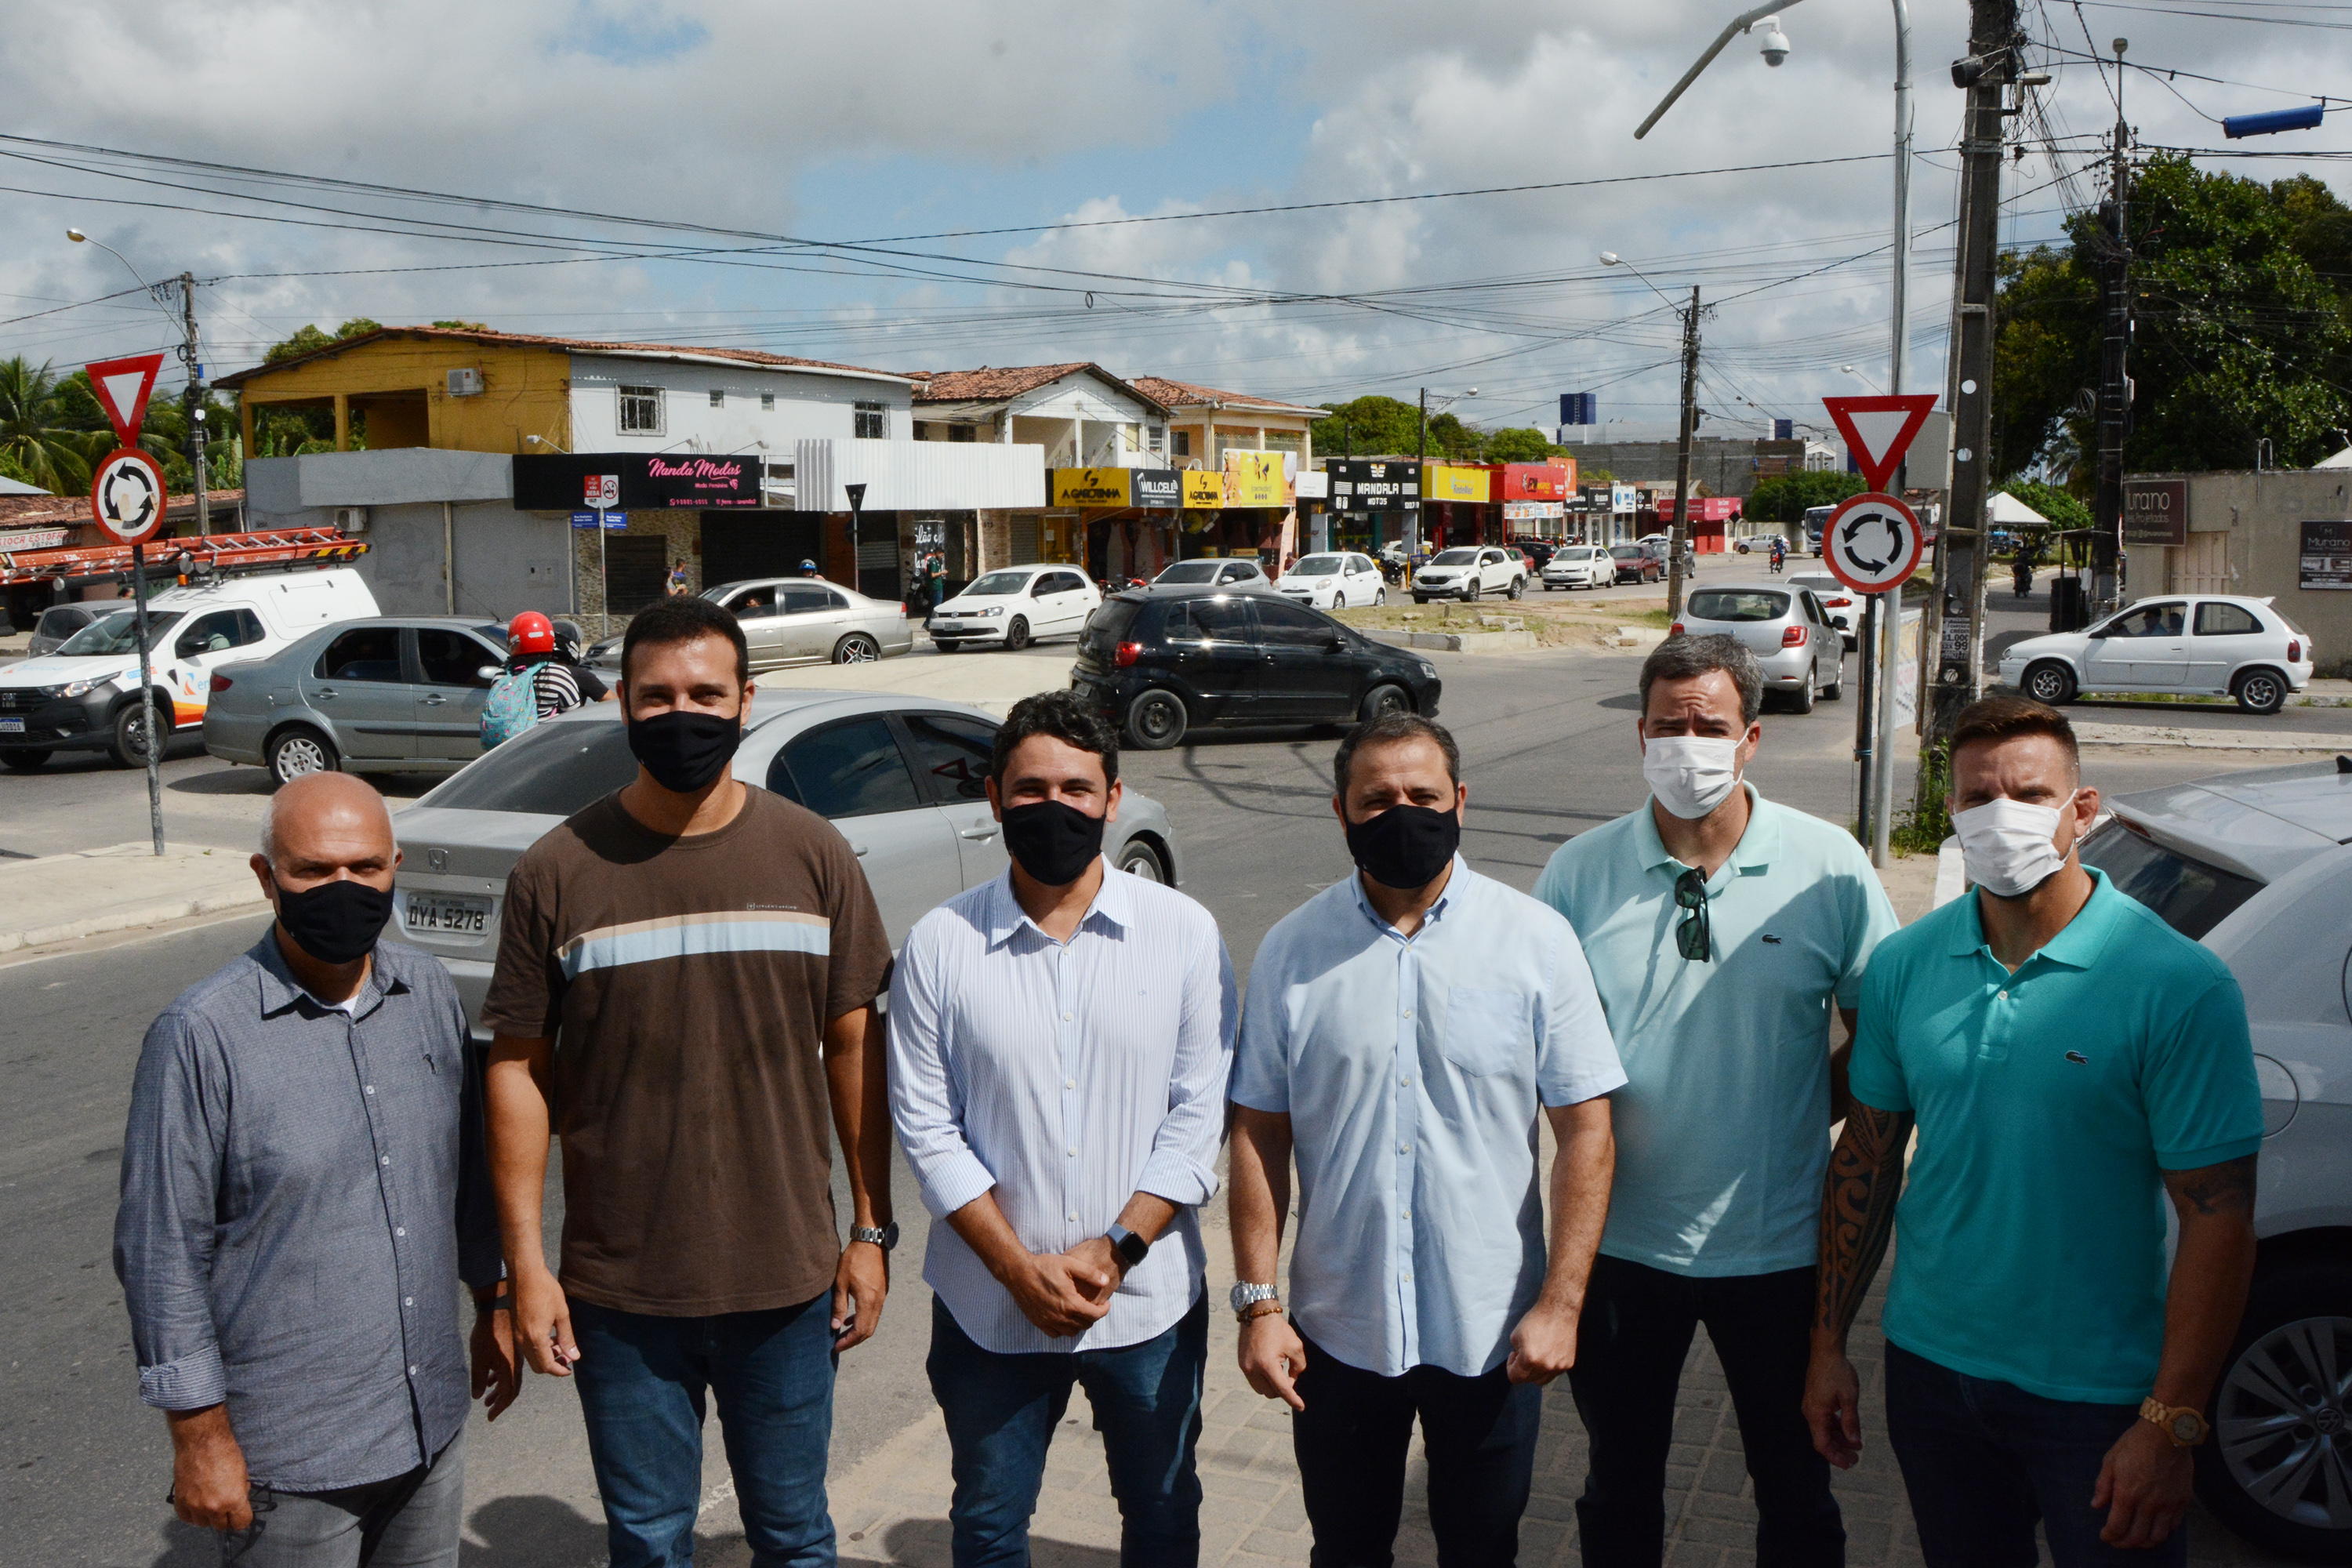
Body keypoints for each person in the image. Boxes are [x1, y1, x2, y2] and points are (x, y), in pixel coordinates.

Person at [481, 594, 897, 1568]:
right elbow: (518, 1068)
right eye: (657, 695)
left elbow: (856, 1051)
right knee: (650, 1540)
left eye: (706, 693)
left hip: (786, 1284)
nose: (683, 714)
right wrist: (525, 1268)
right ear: (622, 704)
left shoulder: (813, 854)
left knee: (796, 1537)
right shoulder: (555, 871)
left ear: (747, 699)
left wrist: (870, 1229)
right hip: (620, 1293)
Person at [1806, 696, 2263, 1567]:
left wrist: (2172, 1420)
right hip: (1932, 1372)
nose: (1998, 816)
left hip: (2100, 1393)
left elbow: (2219, 1217)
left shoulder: (2177, 983)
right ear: (1951, 811)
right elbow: (1865, 1156)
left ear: (2081, 809)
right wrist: (1828, 1348)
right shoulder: (1907, 964)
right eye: (1977, 797)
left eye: (2026, 793)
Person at [1533, 633, 1898, 1567]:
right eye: (1667, 726)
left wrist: (1792, 1108)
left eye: (1710, 725)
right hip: (1619, 1247)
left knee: (1795, 1487)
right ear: (1640, 735)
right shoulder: (1578, 873)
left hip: (1777, 1250)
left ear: (1751, 739)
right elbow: (1544, 1057)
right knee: (1619, 1484)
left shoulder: (1829, 864)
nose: (1687, 744)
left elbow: (1880, 1041)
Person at [1229, 713, 1625, 1567]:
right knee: (1346, 1547)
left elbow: (1586, 1128)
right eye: (1377, 799)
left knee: (1483, 1549)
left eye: (1422, 795)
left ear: (1461, 803)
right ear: (1341, 810)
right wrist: (1259, 1305)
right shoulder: (1293, 950)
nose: (1400, 812)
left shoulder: (1535, 942)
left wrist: (1562, 1303)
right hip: (1339, 1332)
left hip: (1492, 1332)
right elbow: (1259, 1133)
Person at [115, 772, 513, 1567]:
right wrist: (199, 1437)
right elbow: (161, 1250)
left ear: (395, 865)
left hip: (427, 1424)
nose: (343, 888)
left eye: (364, 868)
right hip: (292, 1460)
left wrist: (491, 1298)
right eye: (313, 870)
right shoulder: (201, 1035)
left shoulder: (429, 991)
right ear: (268, 878)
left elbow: (463, 1172)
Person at [889, 691, 1237, 1567]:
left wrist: (1117, 1248)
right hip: (987, 1311)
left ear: (1113, 799)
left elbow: (1200, 1116)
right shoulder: (939, 942)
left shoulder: (1184, 932)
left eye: (1077, 788)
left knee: (1161, 1514)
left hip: (1147, 1306)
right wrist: (1017, 1268)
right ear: (995, 796)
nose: (1055, 807)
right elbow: (927, 1128)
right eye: (1031, 787)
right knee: (989, 1521)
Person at [503, 611, 609, 720]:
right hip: (547, 735)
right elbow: (576, 717)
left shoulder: (505, 672)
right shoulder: (560, 675)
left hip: (510, 737)